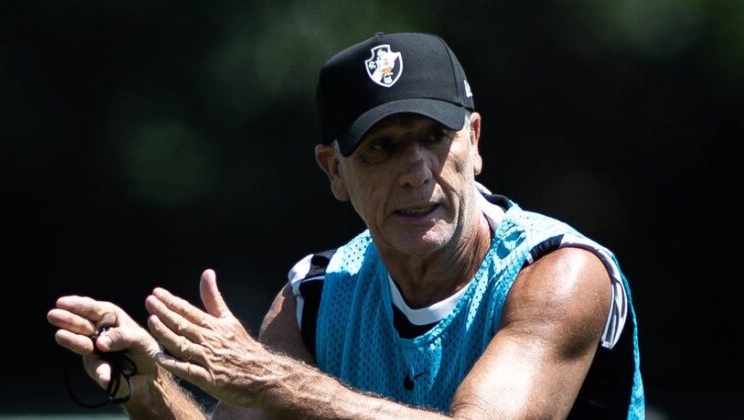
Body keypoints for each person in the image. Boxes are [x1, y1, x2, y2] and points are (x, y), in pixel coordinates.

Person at [47, 32, 644, 419]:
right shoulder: (314, 296)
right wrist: (147, 389)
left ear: (475, 140)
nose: (417, 173)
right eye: (382, 148)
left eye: (435, 137)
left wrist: (273, 381)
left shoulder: (560, 273)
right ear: (334, 171)